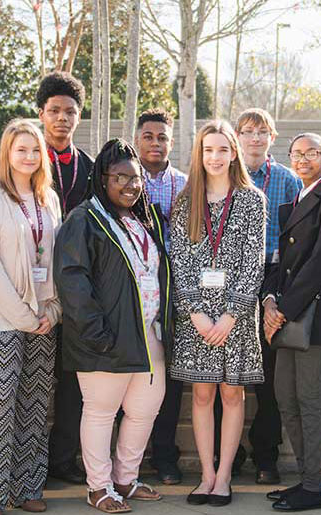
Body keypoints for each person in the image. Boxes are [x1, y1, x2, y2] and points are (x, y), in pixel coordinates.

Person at [54, 139, 173, 514]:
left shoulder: (145, 219)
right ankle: (99, 486)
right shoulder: (84, 220)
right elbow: (73, 282)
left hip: (147, 334)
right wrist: (96, 335)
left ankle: (126, 477)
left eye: (135, 178)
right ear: (102, 179)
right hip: (104, 338)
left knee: (144, 408)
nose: (130, 185)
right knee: (102, 412)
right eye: (120, 177)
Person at [169, 120, 266, 507]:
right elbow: (180, 260)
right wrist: (195, 312)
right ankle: (206, 475)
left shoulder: (250, 199)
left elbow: (253, 261)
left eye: (222, 149)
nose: (215, 157)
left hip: (235, 317)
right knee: (203, 393)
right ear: (199, 153)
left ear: (233, 153)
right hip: (197, 317)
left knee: (231, 393)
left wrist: (231, 315)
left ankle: (225, 475)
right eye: (208, 150)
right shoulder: (185, 200)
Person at [0, 120, 61, 515]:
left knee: (37, 402)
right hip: (7, 316)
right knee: (4, 401)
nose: (29, 157)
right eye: (21, 149)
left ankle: (26, 486)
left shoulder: (49, 199)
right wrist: (23, 315)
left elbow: (56, 259)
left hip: (45, 316)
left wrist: (52, 310)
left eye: (35, 150)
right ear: (6, 153)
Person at [262, 133, 321, 511]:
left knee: (308, 398)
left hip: (312, 316)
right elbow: (283, 262)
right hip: (288, 312)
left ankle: (315, 487)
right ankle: (305, 478)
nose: (302, 159)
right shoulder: (297, 197)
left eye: (311, 153)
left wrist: (283, 309)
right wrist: (268, 299)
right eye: (296, 154)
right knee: (285, 395)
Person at [234, 108, 301, 485]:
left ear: (272, 138)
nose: (255, 138)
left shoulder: (288, 181)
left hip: (274, 284)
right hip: (230, 285)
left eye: (262, 131)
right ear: (238, 137)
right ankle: (226, 452)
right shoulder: (227, 176)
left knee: (270, 381)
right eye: (248, 131)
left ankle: (266, 455)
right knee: (227, 377)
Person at [36, 71, 94, 485]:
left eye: (69, 112)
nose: (61, 118)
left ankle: (63, 458)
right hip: (35, 287)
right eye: (54, 110)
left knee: (73, 381)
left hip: (76, 290)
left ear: (79, 116)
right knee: (36, 380)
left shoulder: (90, 167)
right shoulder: (28, 158)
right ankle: (32, 462)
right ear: (41, 113)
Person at [133, 108, 188, 485]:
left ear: (172, 141)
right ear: (138, 138)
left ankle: (165, 455)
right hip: (133, 290)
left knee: (170, 378)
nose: (155, 143)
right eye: (149, 136)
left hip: (174, 289)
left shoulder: (186, 184)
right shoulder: (123, 179)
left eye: (162, 137)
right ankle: (128, 459)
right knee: (130, 375)